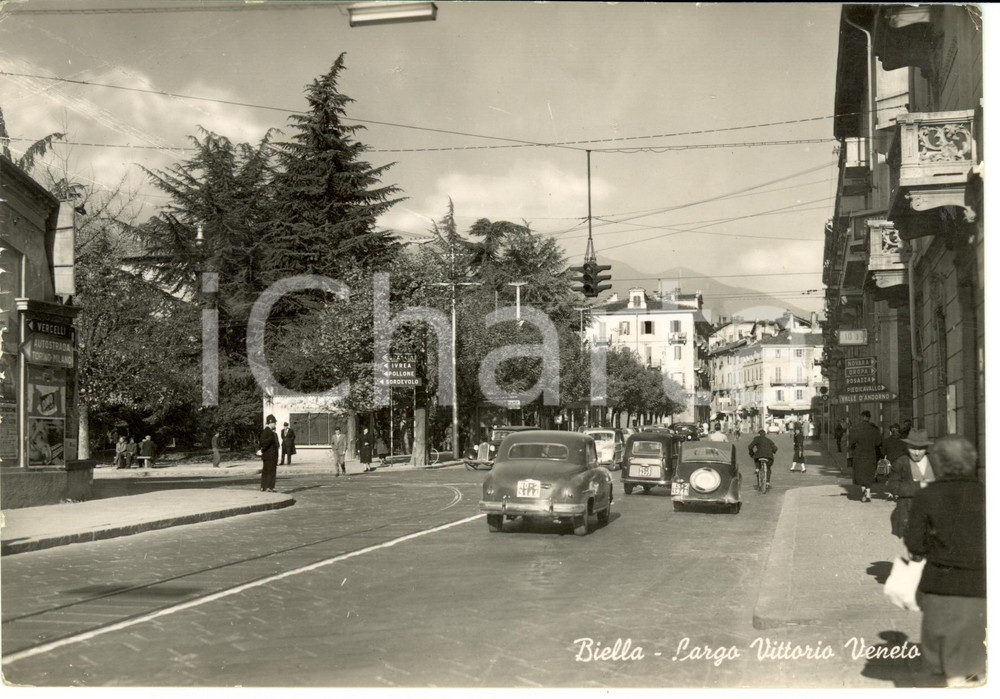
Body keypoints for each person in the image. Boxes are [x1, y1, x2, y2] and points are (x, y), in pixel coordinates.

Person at [905, 435, 985, 687]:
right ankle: (970, 673)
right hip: (978, 580)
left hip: (940, 579)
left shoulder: (928, 496)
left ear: (938, 463)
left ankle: (952, 677)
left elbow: (915, 543)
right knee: (972, 633)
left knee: (942, 641)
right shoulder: (984, 493)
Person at [886, 429, 934, 539]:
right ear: (907, 447)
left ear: (926, 448)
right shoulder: (901, 463)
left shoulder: (934, 461)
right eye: (913, 448)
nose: (916, 453)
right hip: (908, 514)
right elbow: (892, 486)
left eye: (920, 449)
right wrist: (919, 486)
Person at [848, 410, 883, 503]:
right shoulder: (874, 429)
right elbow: (878, 442)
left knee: (860, 473)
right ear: (869, 417)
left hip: (859, 454)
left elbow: (851, 442)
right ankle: (868, 493)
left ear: (861, 417)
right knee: (869, 473)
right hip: (871, 454)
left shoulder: (856, 428)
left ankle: (863, 491)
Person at [257, 415, 279, 492]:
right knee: (271, 471)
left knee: (265, 471)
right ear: (271, 422)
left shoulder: (264, 432)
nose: (275, 424)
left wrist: (260, 450)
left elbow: (261, 442)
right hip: (271, 456)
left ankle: (263, 486)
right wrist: (262, 450)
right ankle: (270, 487)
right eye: (274, 423)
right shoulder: (270, 432)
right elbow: (268, 443)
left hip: (265, 456)